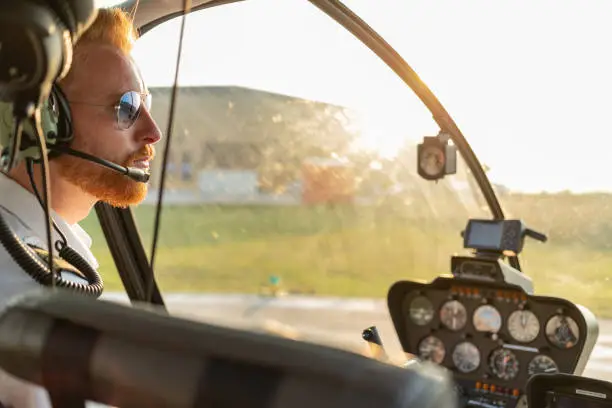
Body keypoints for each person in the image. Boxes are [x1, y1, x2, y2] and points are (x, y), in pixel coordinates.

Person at [0, 7, 162, 407]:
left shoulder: (45, 245)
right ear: (48, 120)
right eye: (126, 107)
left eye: (146, 102)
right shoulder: (19, 291)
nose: (152, 131)